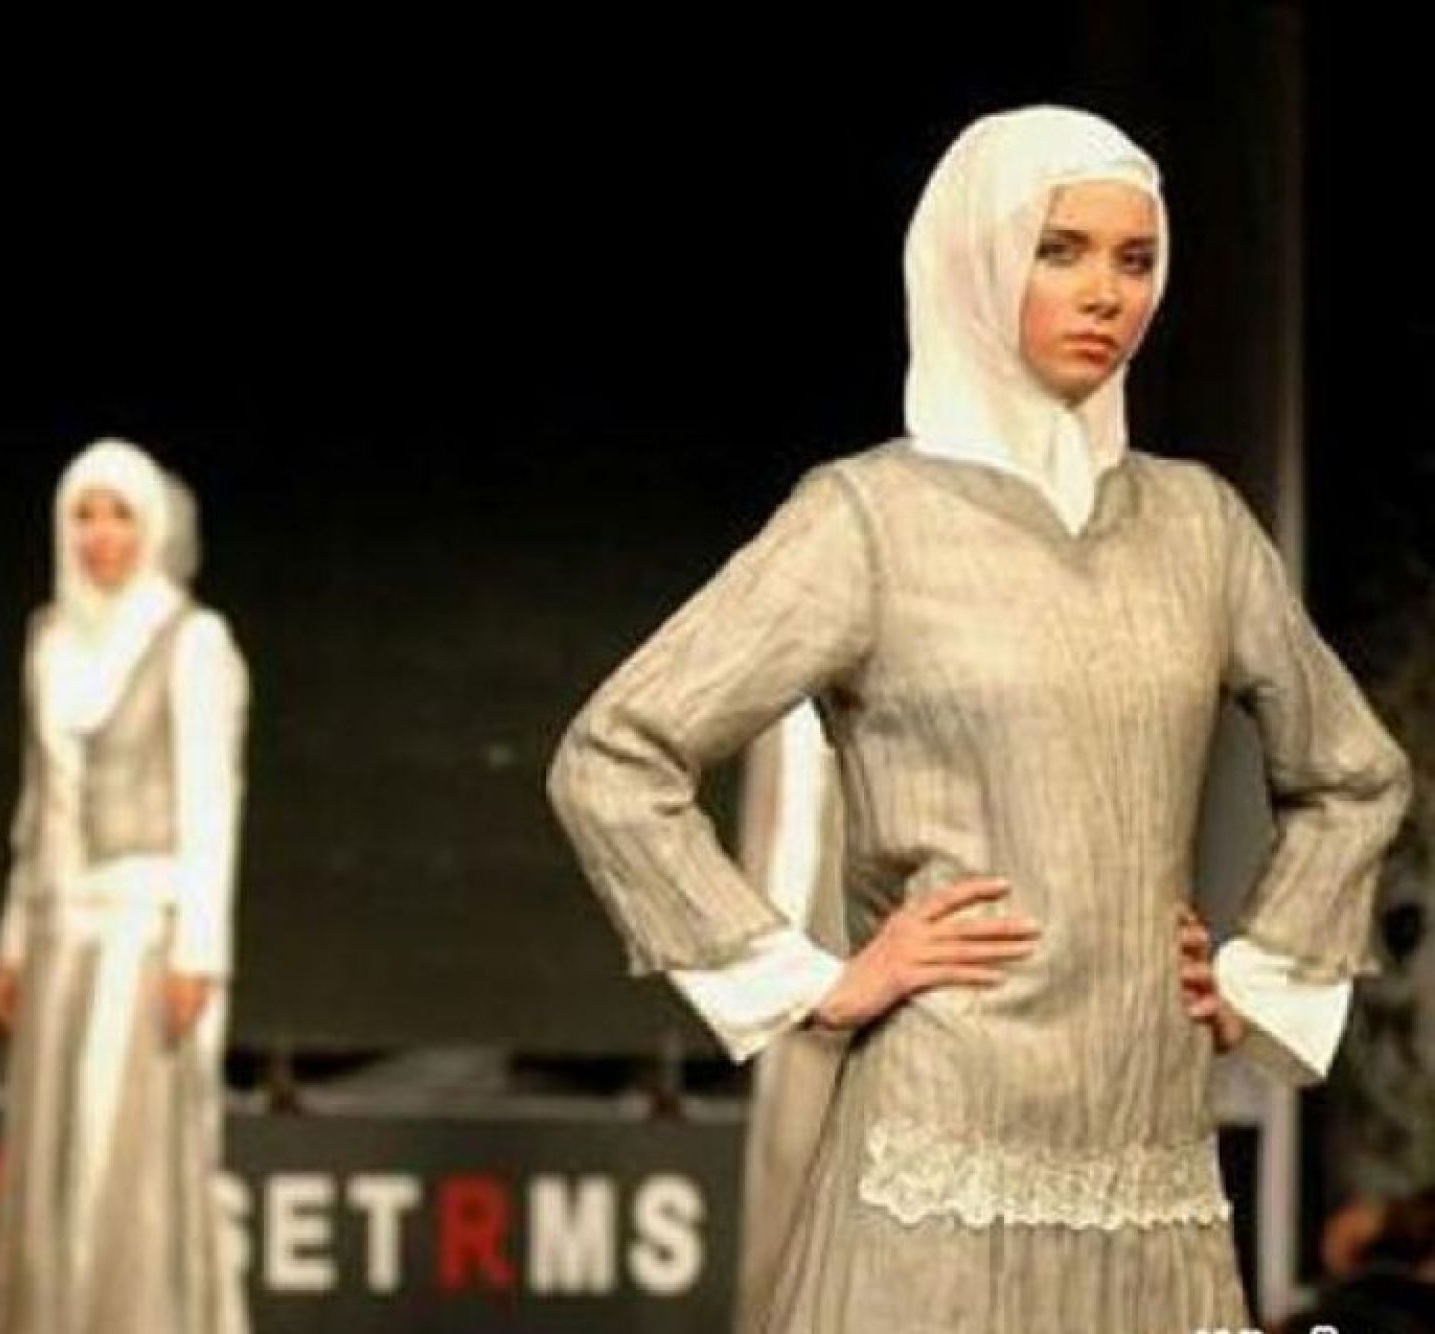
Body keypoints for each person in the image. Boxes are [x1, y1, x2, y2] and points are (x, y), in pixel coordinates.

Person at [547, 106, 1411, 1332]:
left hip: (1145, 1141)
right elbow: (617, 756)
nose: (1105, 292)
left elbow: (1354, 773)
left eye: (1135, 258)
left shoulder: (1199, 526)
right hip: (940, 1133)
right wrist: (811, 981)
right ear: (974, 256)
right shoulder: (868, 520)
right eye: (1060, 249)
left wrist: (1257, 980)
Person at [0, 439, 250, 1334]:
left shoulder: (191, 639)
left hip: (146, 929)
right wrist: (13, 936)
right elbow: (38, 803)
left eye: (120, 515)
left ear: (154, 526)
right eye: (84, 515)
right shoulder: (49, 640)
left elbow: (211, 802)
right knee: (51, 1154)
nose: (100, 535)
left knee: (121, 1154)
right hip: (60, 926)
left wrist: (198, 952)